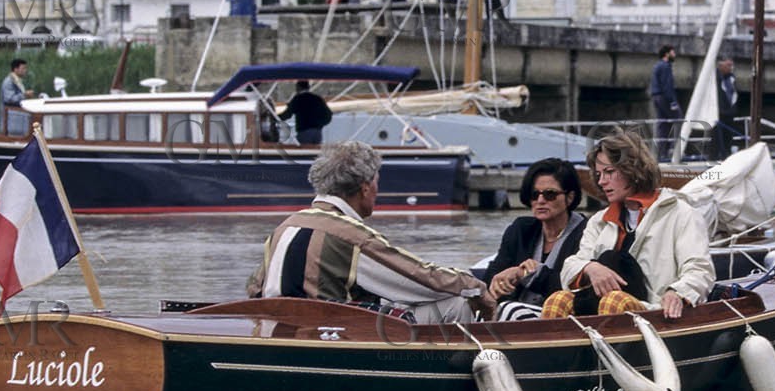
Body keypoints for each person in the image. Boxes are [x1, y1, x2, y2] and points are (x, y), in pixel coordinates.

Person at [247, 141, 492, 323]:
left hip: (276, 327)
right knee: (456, 302)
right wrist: (474, 287)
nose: (378, 189)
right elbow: (418, 276)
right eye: (377, 181)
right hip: (331, 335)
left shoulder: (285, 226)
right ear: (365, 188)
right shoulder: (351, 235)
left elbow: (254, 288)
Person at [548, 130, 715, 319]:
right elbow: (573, 264)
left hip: (657, 310)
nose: (602, 181)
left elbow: (699, 269)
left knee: (614, 302)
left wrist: (677, 293)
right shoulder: (599, 221)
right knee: (556, 301)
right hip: (599, 305)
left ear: (633, 170)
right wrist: (591, 268)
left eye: (609, 172)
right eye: (598, 174)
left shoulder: (682, 214)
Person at [485, 158, 588, 321]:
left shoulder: (586, 233)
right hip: (514, 313)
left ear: (570, 197)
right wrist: (499, 282)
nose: (540, 200)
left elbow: (571, 284)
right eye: (535, 194)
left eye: (550, 194)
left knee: (509, 309)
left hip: (562, 316)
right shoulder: (520, 229)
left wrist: (527, 274)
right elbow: (494, 272)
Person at [649, 45, 681, 160]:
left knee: (663, 124)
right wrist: (672, 102)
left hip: (656, 96)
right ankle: (675, 149)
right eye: (673, 52)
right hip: (664, 97)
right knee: (678, 119)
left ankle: (662, 152)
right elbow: (667, 85)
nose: (674, 55)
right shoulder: (666, 66)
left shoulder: (657, 66)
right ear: (667, 54)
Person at [279, 80, 333, 145]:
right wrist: (320, 124)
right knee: (315, 153)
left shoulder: (298, 99)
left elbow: (287, 114)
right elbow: (328, 114)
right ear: (308, 87)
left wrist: (276, 118)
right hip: (317, 132)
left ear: (298, 87)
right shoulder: (318, 99)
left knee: (305, 152)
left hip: (304, 131)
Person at [714, 55, 745, 155]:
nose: (731, 68)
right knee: (718, 137)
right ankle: (718, 155)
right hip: (719, 113)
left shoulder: (732, 78)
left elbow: (733, 93)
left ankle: (727, 153)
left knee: (728, 136)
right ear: (721, 65)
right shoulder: (715, 78)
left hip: (730, 112)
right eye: (728, 65)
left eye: (732, 65)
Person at [0, 58, 34, 135]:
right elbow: (9, 99)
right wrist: (24, 95)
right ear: (16, 69)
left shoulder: (18, 81)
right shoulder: (9, 82)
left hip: (18, 122)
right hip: (12, 123)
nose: (25, 70)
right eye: (23, 68)